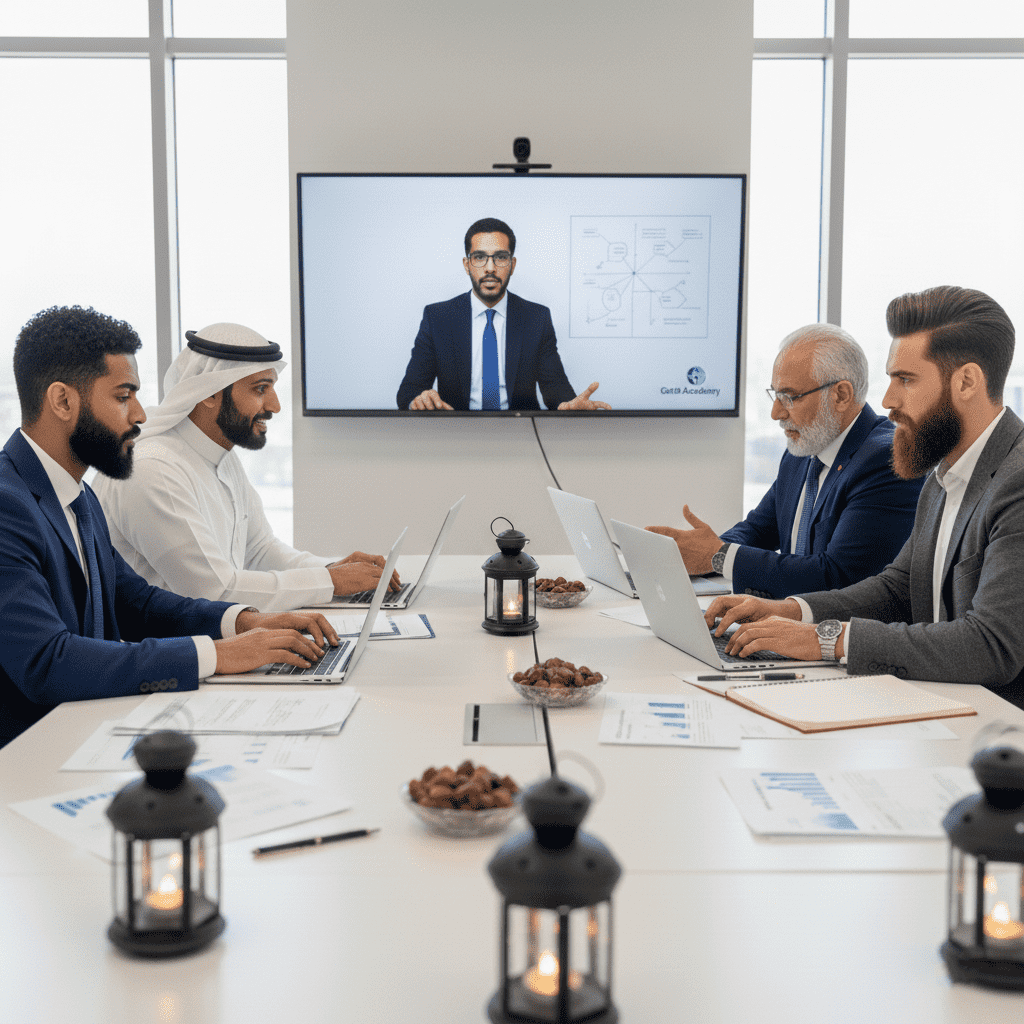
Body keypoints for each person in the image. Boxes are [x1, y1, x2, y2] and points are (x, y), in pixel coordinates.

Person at [0, 306, 340, 746]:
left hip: (90, 730)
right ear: (63, 401)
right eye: (123, 397)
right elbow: (47, 662)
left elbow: (133, 602)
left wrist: (243, 622)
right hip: (31, 759)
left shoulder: (76, 493)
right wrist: (216, 654)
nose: (140, 415)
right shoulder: (8, 506)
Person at [705, 286, 1024, 709]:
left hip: (997, 732)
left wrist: (828, 639)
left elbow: (990, 645)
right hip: (937, 702)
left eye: (905, 380)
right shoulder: (943, 474)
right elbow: (898, 588)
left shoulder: (1016, 482)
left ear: (966, 381)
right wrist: (792, 611)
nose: (888, 401)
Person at [94, 322, 398, 611]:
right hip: (169, 655)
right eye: (260, 389)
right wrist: (329, 582)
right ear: (210, 393)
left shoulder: (220, 455)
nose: (275, 406)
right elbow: (213, 591)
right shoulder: (152, 468)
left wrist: (333, 569)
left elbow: (258, 550)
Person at [646, 324, 923, 598]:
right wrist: (696, 552)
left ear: (841, 395)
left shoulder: (886, 460)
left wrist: (719, 556)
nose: (776, 413)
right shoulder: (802, 450)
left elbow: (837, 577)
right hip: (787, 625)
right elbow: (757, 530)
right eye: (775, 395)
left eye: (790, 397)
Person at [396, 217, 612, 412]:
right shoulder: (437, 318)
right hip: (456, 432)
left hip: (521, 432)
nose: (490, 268)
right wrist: (418, 399)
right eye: (479, 257)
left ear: (512, 264)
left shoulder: (536, 318)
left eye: (500, 257)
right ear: (467, 264)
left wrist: (569, 405)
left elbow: (556, 389)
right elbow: (408, 391)